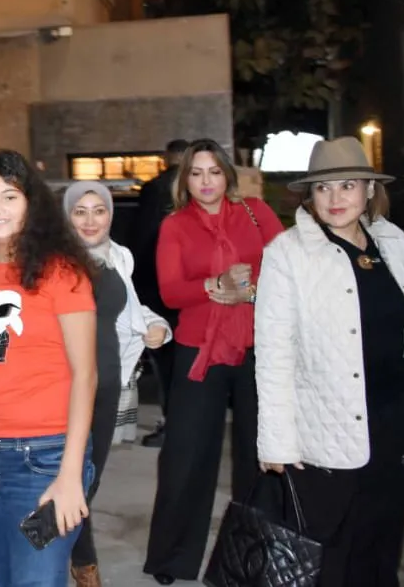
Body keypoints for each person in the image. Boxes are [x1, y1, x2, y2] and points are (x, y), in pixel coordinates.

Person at [256, 137, 404, 586]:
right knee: (330, 556)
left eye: (348, 185)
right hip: (328, 429)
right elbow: (273, 353)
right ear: (309, 195)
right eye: (323, 187)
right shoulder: (287, 254)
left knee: (383, 545)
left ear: (369, 189)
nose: (335, 198)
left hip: (400, 425)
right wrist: (276, 441)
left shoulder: (391, 240)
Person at [0, 150, 98, 587]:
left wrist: (70, 475)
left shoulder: (62, 274)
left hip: (43, 460)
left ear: (31, 203)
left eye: (9, 197)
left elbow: (86, 376)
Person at [143, 138, 285, 585]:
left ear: (228, 174)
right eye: (196, 173)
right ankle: (172, 558)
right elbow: (170, 292)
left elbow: (286, 268)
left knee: (258, 456)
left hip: (257, 346)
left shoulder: (256, 213)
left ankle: (250, 560)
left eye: (214, 171)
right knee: (185, 456)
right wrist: (213, 285)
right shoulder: (176, 226)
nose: (206, 181)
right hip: (198, 350)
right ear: (185, 179)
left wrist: (249, 291)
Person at [63, 181, 171, 587]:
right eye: (80, 211)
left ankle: (65, 553)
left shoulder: (119, 257)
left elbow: (130, 311)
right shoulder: (56, 262)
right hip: (66, 384)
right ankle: (83, 564)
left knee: (89, 478)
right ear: (66, 217)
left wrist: (157, 325)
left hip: (108, 381)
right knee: (70, 477)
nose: (91, 220)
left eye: (99, 210)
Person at [130, 139, 188, 448]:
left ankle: (173, 424)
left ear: (167, 158)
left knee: (167, 361)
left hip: (158, 288)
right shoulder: (198, 188)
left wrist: (136, 286)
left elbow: (143, 237)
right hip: (194, 290)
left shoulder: (155, 189)